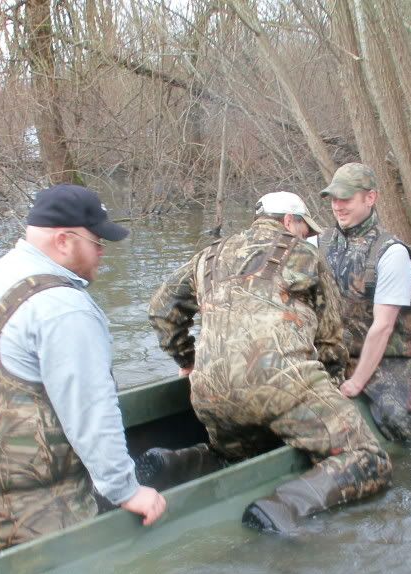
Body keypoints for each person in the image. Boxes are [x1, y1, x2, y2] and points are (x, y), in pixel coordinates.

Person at [0, 184, 166, 550]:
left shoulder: (0, 274)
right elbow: (90, 409)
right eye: (97, 241)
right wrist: (126, 491)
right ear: (63, 241)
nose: (103, 252)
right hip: (20, 508)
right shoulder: (64, 307)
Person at [146, 191, 392, 534]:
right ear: (290, 221)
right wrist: (332, 392)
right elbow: (332, 341)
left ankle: (174, 464)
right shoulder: (305, 254)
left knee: (234, 457)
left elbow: (160, 309)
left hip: (210, 391)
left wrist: (187, 361)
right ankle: (282, 507)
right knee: (368, 459)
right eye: (305, 229)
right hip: (281, 381)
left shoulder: (208, 256)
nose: (307, 237)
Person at [319, 162, 411, 443]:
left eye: (346, 198)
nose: (337, 206)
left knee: (400, 423)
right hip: (333, 351)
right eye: (334, 199)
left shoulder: (391, 253)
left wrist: (357, 382)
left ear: (370, 198)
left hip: (386, 357)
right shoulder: (319, 243)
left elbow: (382, 327)